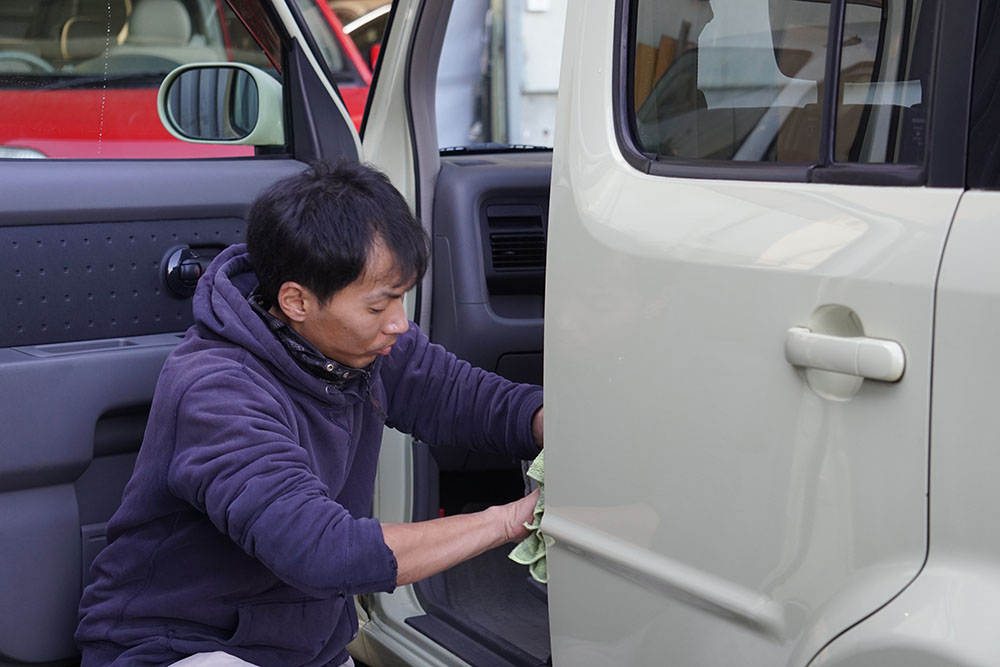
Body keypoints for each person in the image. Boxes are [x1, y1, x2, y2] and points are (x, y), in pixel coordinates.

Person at [75, 160, 544, 666]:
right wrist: (514, 520)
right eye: (377, 306)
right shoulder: (218, 390)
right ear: (296, 301)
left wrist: (561, 429)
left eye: (402, 299)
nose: (399, 325)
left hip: (305, 648)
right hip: (182, 647)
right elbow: (321, 551)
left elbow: (475, 402)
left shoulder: (369, 347)